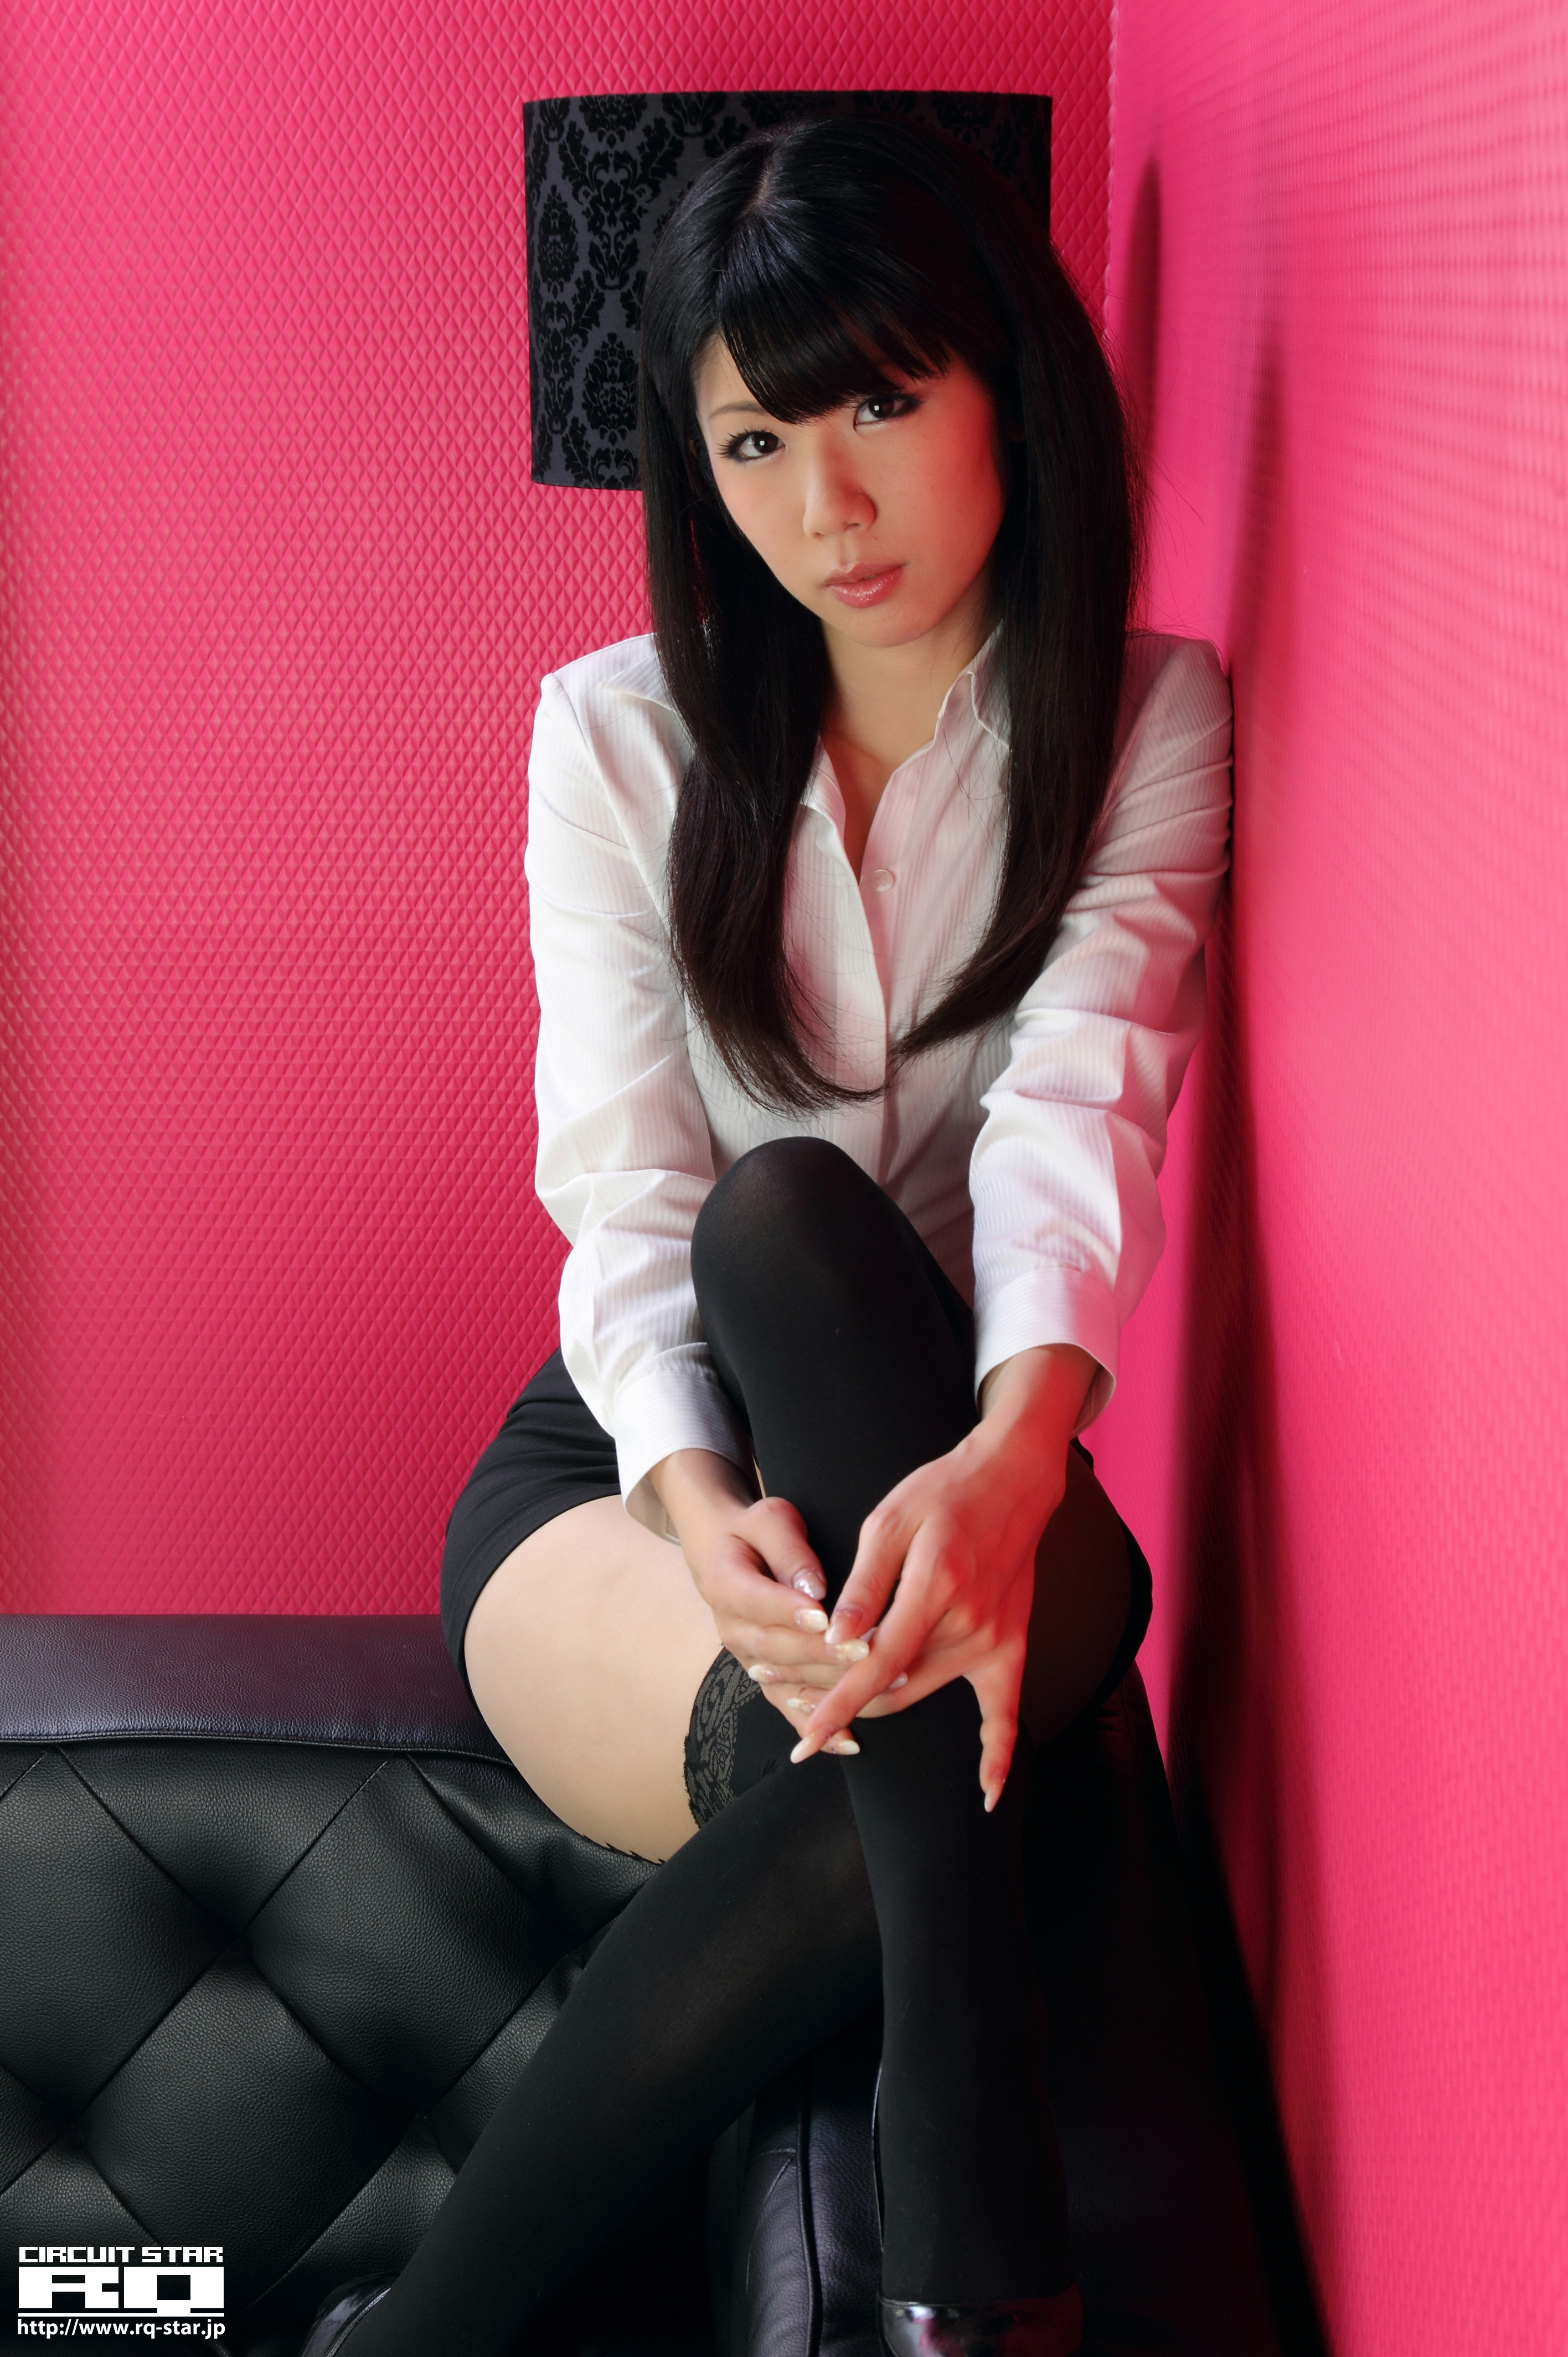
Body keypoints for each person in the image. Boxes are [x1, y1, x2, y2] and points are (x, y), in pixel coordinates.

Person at [302, 112, 1232, 2357]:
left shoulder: (1148, 717)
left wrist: (1013, 1455)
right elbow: (625, 1180)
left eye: (881, 404)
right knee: (760, 1227)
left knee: (818, 1242)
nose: (828, 507)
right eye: (755, 443)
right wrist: (692, 1493)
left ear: (1008, 382)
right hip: (638, 1481)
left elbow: (1081, 1104)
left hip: (959, 1447)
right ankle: (974, 2223)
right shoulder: (613, 739)